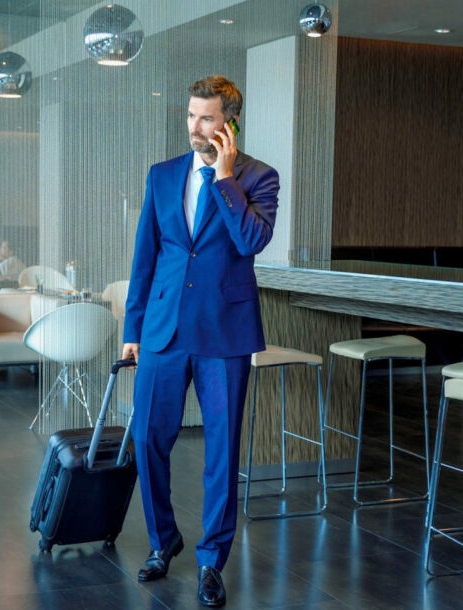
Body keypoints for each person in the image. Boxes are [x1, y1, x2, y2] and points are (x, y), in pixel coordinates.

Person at [121, 75, 279, 608]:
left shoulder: (259, 177)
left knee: (221, 449)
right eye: (191, 115)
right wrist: (132, 331)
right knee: (147, 440)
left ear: (229, 122)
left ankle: (212, 560)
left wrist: (225, 177)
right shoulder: (162, 175)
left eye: (206, 117)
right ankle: (163, 542)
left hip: (224, 333)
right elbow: (147, 257)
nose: (195, 127)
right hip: (163, 330)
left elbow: (252, 240)